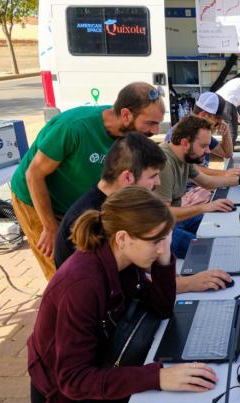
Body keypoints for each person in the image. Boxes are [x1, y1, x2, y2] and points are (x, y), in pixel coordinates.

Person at [28, 187, 218, 403]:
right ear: (122, 238)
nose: (163, 246)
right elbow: (73, 380)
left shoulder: (125, 260)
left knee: (195, 393)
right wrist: (158, 378)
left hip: (107, 365)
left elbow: (161, 308)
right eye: (155, 241)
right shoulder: (81, 285)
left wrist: (163, 260)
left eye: (166, 237)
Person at [10, 82, 165, 280]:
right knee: (62, 270)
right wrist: (50, 227)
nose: (155, 130)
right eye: (150, 123)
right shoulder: (75, 128)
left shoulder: (127, 135)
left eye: (158, 123)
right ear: (126, 114)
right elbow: (33, 175)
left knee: (91, 263)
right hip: (35, 197)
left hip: (75, 203)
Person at [53, 133, 234, 292]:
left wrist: (177, 275)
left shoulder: (117, 201)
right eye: (153, 176)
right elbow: (132, 288)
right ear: (127, 177)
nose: (157, 183)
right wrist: (189, 283)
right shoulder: (95, 219)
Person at [155, 115, 240, 258]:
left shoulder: (183, 156)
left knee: (223, 228)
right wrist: (205, 207)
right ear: (185, 143)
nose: (208, 151)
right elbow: (164, 215)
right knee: (211, 250)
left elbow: (207, 182)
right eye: (203, 146)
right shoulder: (164, 164)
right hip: (159, 231)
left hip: (175, 220)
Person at [165, 92, 240, 208]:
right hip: (187, 193)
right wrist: (225, 174)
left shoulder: (201, 132)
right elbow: (191, 170)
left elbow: (227, 153)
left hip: (199, 187)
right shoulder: (179, 133)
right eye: (217, 118)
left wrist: (226, 132)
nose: (219, 122)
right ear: (203, 115)